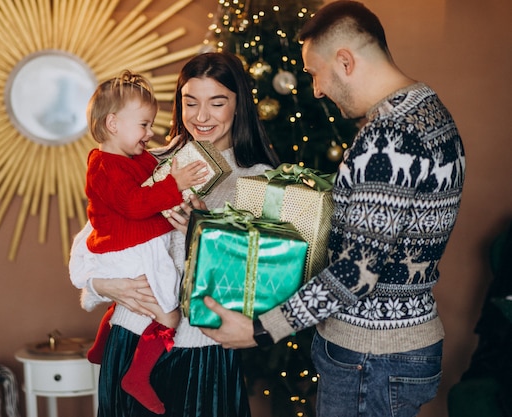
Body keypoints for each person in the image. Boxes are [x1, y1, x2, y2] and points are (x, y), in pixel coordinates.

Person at [200, 2, 466, 417]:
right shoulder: (430, 111)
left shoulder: (387, 139)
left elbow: (355, 273)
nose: (317, 90)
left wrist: (259, 329)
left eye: (314, 73)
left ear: (345, 61)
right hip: (400, 347)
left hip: (371, 356)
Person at [69, 51, 280, 417]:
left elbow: (262, 278)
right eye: (190, 102)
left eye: (217, 102)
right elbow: (92, 242)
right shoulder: (148, 160)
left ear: (238, 104)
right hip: (131, 340)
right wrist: (105, 287)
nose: (201, 116)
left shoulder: (259, 179)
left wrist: (206, 231)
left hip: (205, 352)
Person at [77, 69, 208, 414]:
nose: (151, 133)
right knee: (169, 316)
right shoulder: (105, 166)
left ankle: (102, 341)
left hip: (135, 246)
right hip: (130, 248)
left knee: (142, 301)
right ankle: (138, 375)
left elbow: (156, 170)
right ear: (113, 124)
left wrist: (175, 164)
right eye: (144, 125)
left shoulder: (133, 158)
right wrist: (175, 183)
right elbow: (136, 203)